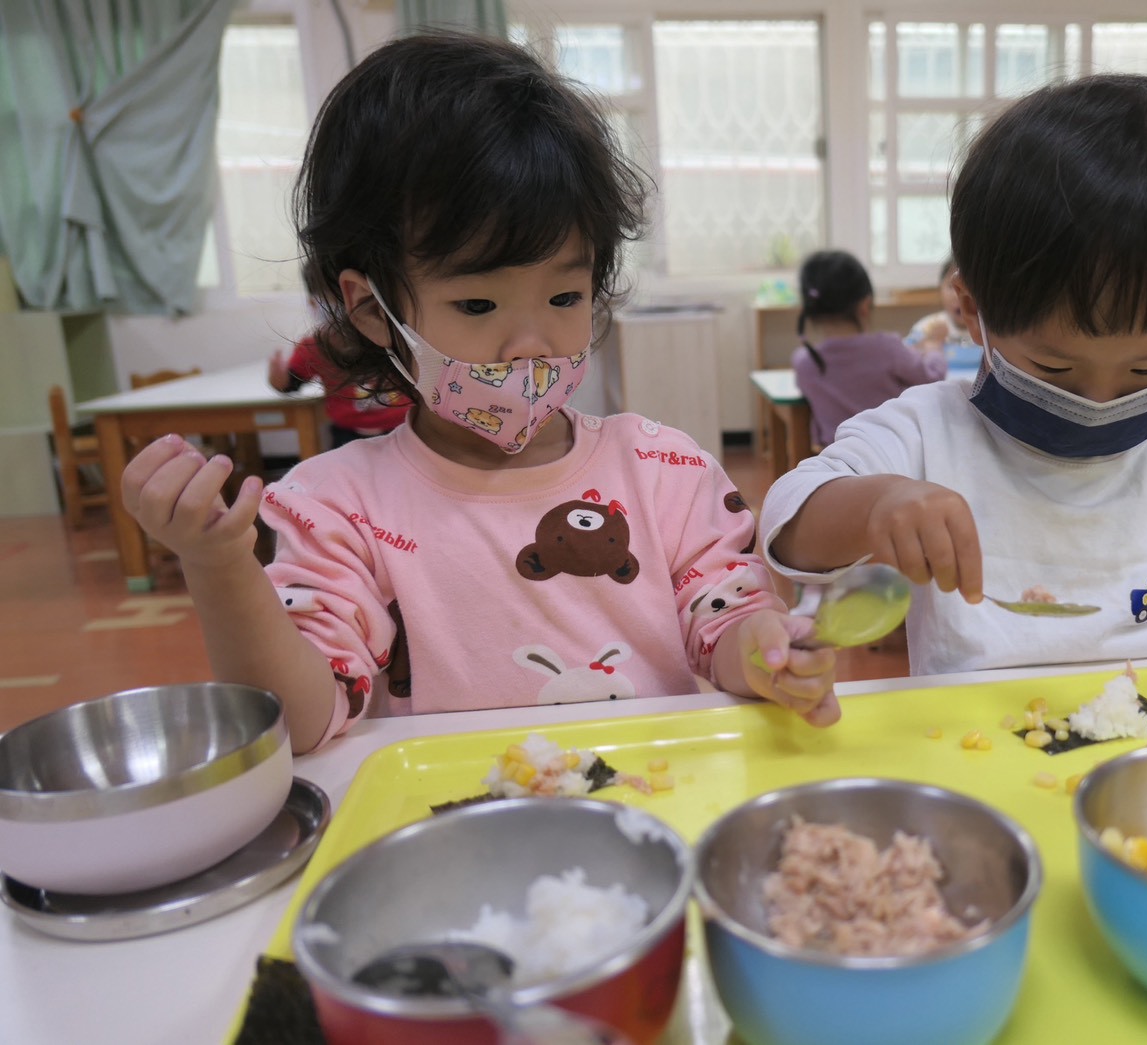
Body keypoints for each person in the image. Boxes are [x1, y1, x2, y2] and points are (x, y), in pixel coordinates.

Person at [119, 32, 837, 753]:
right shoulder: (340, 507)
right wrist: (220, 568)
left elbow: (726, 620)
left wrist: (764, 650)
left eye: (564, 296)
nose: (531, 344)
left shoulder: (663, 472)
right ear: (372, 310)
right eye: (478, 305)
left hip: (650, 799)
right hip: (452, 814)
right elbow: (299, 723)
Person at [760, 74, 1147, 704]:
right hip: (975, 740)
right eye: (1054, 369)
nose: (1099, 402)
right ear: (973, 311)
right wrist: (875, 505)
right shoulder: (928, 432)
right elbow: (791, 522)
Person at [792, 250, 947, 448]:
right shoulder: (887, 348)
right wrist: (934, 348)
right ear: (865, 305)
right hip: (893, 454)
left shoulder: (805, 363)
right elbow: (932, 377)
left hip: (838, 459)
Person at [268, 312, 411, 448]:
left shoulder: (402, 336)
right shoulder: (316, 345)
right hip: (347, 432)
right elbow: (289, 383)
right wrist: (280, 378)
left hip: (404, 428)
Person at [905, 257, 980, 367]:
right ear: (940, 289)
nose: (957, 296)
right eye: (951, 287)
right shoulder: (927, 327)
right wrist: (930, 342)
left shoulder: (989, 331)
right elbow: (905, 356)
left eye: (969, 287)